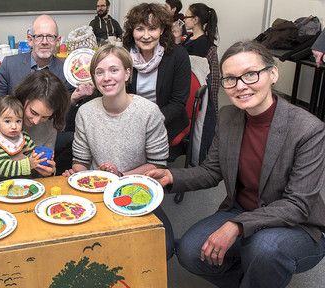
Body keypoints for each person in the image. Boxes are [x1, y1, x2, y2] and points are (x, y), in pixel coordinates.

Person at [146, 40, 325, 287]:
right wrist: (171, 177)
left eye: (250, 75)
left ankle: (262, 267)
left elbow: (298, 205)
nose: (241, 86)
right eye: (230, 79)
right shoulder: (229, 117)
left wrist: (236, 226)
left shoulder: (308, 130)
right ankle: (255, 278)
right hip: (242, 210)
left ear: (273, 73)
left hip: (297, 224)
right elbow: (212, 171)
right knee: (189, 252)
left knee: (265, 248)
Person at [61, 44, 174, 259]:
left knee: (161, 249)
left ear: (127, 73)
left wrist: (120, 177)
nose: (106, 78)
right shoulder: (85, 112)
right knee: (85, 250)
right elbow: (80, 160)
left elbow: (159, 163)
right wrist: (79, 174)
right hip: (96, 194)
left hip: (135, 190)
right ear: (93, 77)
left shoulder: (148, 112)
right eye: (99, 72)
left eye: (114, 70)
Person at [0, 14, 95, 173]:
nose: (44, 41)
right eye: (39, 36)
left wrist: (73, 100)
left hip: (45, 137)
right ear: (30, 39)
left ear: (58, 41)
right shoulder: (9, 65)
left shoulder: (67, 73)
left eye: (50, 37)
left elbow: (64, 123)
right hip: (7, 136)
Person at [123, 3, 191, 143]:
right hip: (130, 121)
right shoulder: (124, 56)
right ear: (132, 31)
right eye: (140, 29)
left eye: (152, 28)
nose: (146, 36)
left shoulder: (178, 55)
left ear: (162, 30)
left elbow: (178, 102)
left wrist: (148, 123)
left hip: (166, 121)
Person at [0, 95, 44, 177]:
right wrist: (29, 164)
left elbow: (31, 154)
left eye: (18, 121)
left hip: (19, 181)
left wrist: (41, 158)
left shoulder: (24, 137)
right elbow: (3, 168)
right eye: (7, 121)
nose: (14, 126)